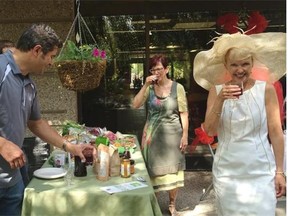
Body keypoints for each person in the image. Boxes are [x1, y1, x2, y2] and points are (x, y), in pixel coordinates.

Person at [0, 23, 95, 216]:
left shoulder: (30, 84)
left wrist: (69, 147)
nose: (51, 63)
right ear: (37, 50)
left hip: (12, 180)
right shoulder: (1, 69)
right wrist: (2, 144)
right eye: (51, 56)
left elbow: (36, 123)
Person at [193, 32, 286, 215]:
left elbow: (276, 133)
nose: (240, 69)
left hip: (261, 170)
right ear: (226, 65)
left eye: (245, 64)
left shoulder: (266, 90)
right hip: (227, 173)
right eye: (234, 64)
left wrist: (280, 171)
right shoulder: (216, 91)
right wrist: (221, 99)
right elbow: (210, 131)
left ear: (253, 64)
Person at [132, 54, 189, 216]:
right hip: (152, 137)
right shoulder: (149, 88)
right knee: (153, 172)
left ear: (167, 69)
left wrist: (185, 135)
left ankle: (172, 204)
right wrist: (144, 85)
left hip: (173, 135)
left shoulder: (177, 88)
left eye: (159, 69)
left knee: (173, 171)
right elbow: (135, 105)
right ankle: (152, 206)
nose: (156, 72)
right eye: (153, 69)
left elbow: (184, 113)